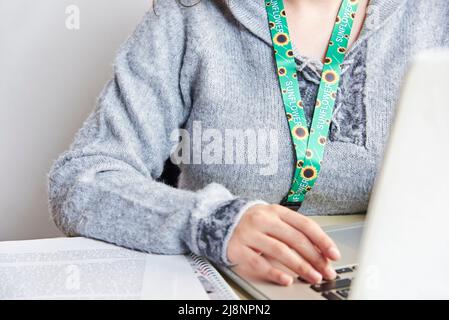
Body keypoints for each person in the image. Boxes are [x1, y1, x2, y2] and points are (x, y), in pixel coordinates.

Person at [48, 0, 449, 286]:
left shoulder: (434, 17)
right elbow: (80, 181)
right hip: (218, 284)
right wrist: (212, 222)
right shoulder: (186, 17)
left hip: (395, 276)